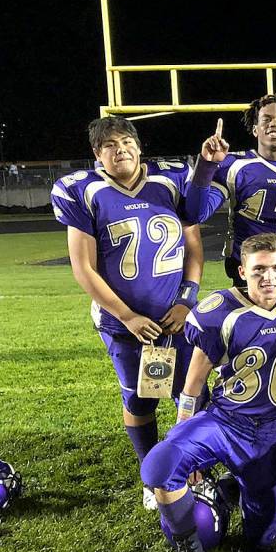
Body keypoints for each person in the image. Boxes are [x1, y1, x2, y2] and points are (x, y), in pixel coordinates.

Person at [140, 233, 276, 552]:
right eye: (259, 270)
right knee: (159, 466)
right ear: (242, 271)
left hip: (271, 436)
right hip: (224, 422)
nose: (269, 279)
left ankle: (227, 488)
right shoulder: (219, 312)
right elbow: (193, 385)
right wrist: (182, 435)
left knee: (262, 538)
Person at [51, 117, 204, 511]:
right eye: (109, 145)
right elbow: (83, 267)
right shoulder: (84, 190)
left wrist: (186, 300)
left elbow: (193, 247)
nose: (119, 149)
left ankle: (192, 467)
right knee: (142, 399)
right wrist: (127, 316)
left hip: (175, 316)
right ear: (97, 154)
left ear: (139, 146)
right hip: (126, 324)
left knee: (190, 395)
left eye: (125, 141)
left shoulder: (170, 182)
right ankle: (152, 475)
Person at [184, 94, 276, 477]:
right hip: (247, 280)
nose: (274, 124)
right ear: (254, 128)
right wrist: (206, 166)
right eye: (266, 119)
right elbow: (195, 210)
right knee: (234, 359)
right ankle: (224, 432)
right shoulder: (235, 167)